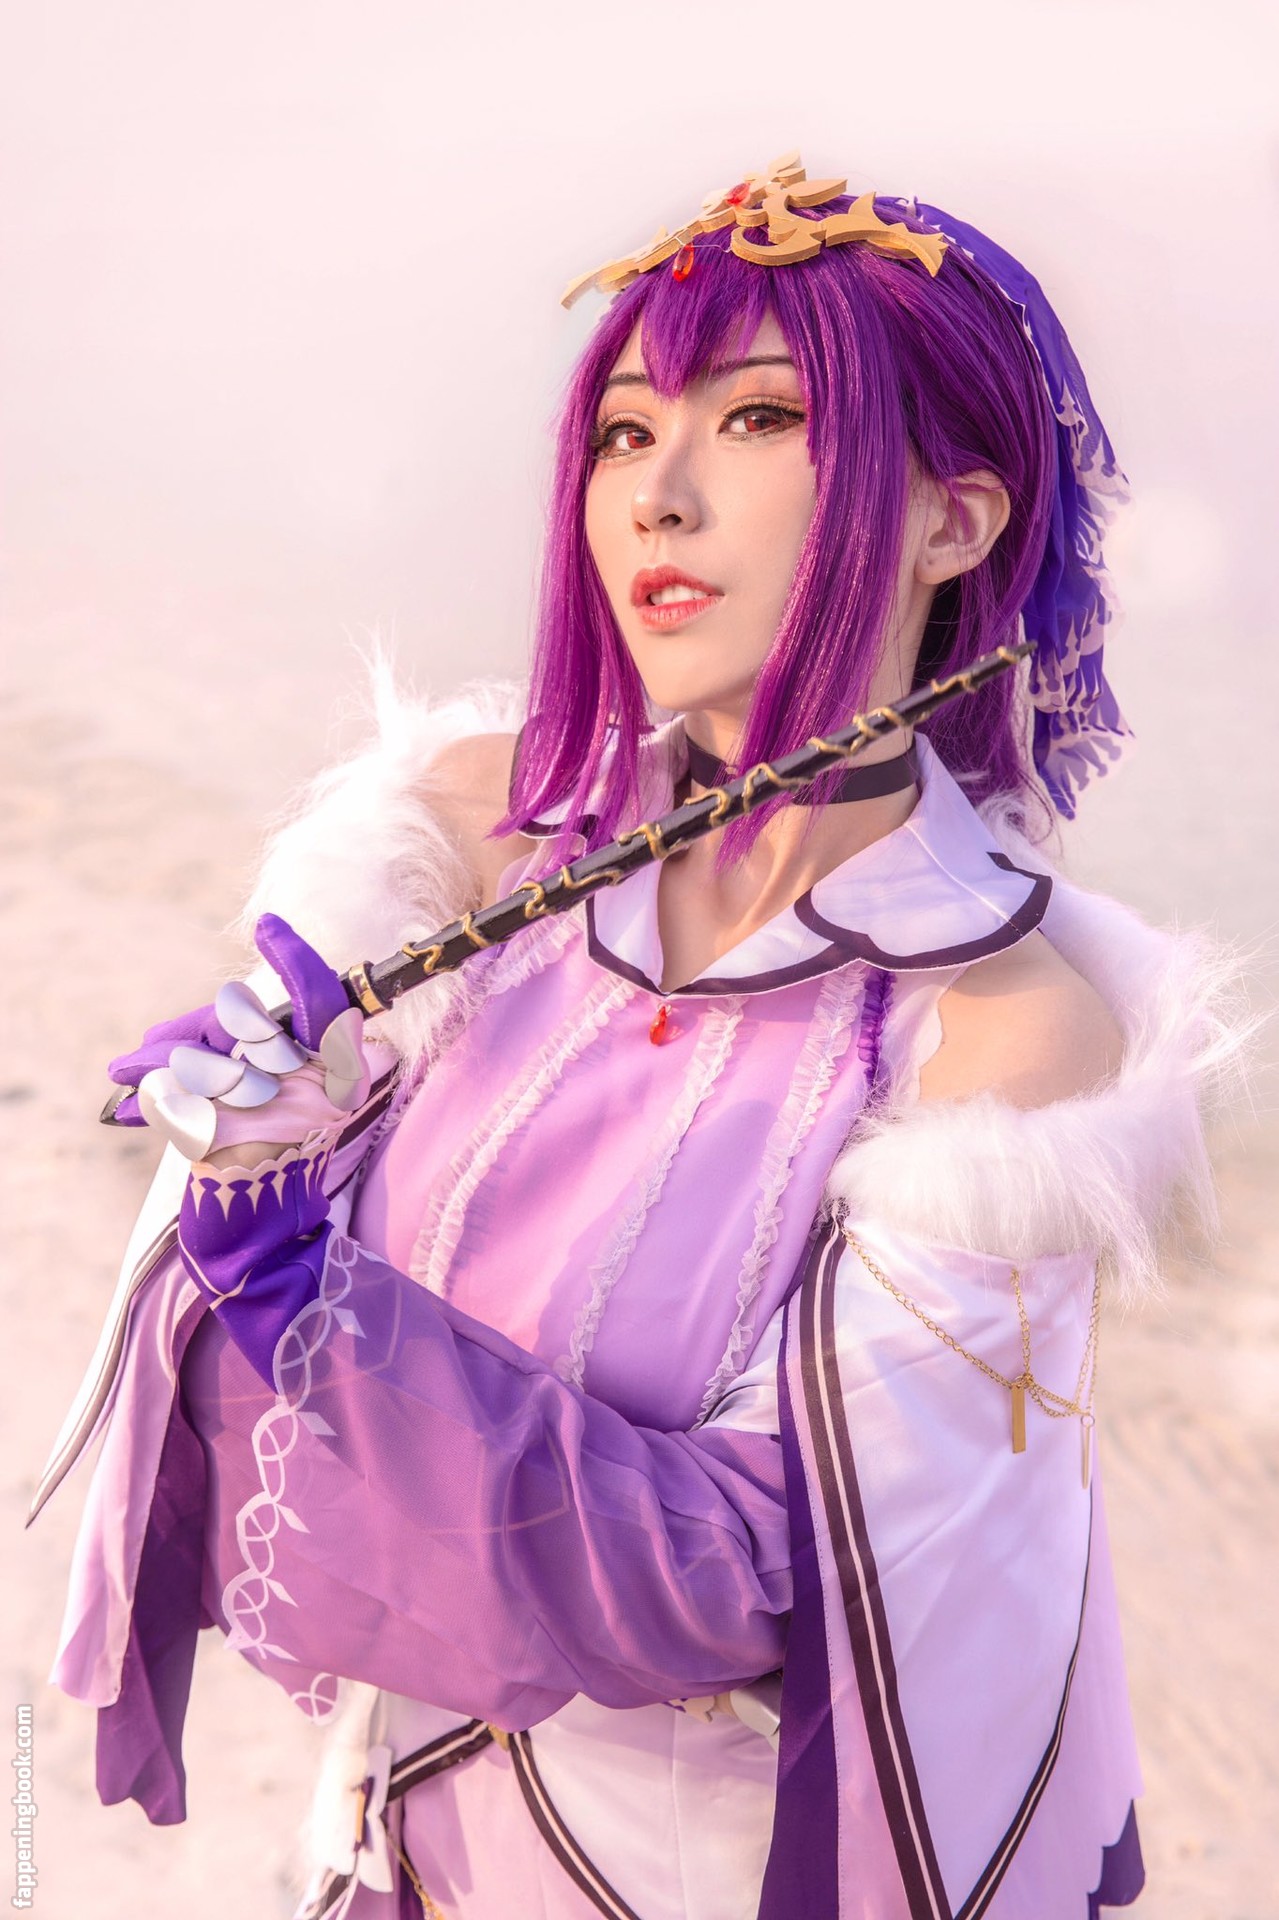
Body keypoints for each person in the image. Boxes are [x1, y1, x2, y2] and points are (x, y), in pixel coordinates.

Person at [41, 155, 1229, 1919]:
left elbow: (758, 1583)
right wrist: (258, 1150)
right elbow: (253, 1414)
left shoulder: (994, 1033)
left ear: (956, 521)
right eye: (620, 432)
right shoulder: (472, 840)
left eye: (759, 419)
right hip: (388, 1843)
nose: (657, 497)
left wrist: (306, 1289)